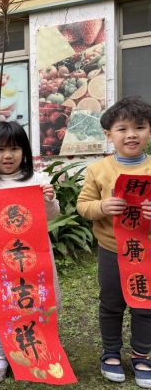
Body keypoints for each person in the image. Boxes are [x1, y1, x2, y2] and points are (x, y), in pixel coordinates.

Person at [0, 120, 61, 383]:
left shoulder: (37, 180)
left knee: (38, 299)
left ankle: (39, 350)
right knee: (1, 304)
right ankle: (1, 355)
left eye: (14, 149)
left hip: (33, 256)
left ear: (24, 152)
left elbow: (52, 215)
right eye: (0, 150)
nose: (7, 155)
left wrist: (49, 199)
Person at [77, 96, 151, 389]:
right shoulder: (99, 170)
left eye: (140, 127)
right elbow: (83, 206)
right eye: (122, 129)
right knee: (111, 303)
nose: (131, 135)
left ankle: (141, 356)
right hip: (112, 250)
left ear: (149, 131)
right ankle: (110, 353)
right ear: (109, 134)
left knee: (145, 303)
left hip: (146, 252)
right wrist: (102, 207)